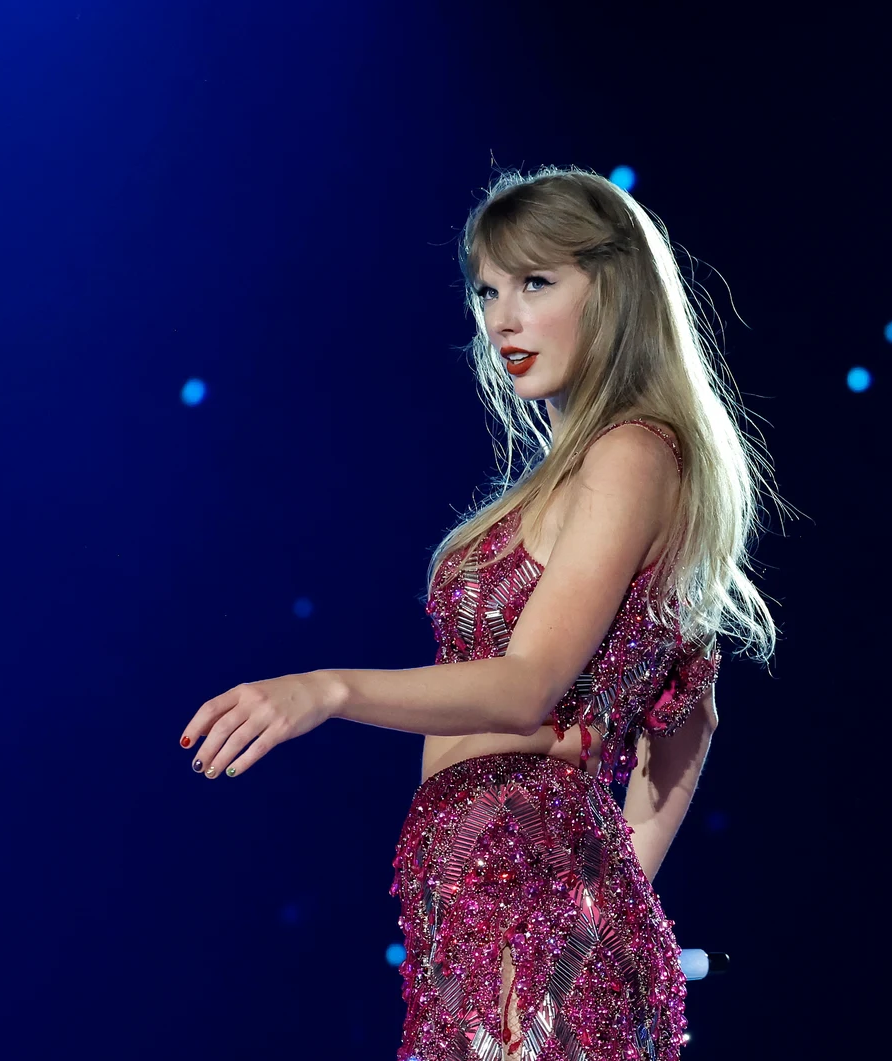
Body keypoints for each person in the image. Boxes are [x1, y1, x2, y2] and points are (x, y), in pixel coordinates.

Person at [179, 166, 786, 1060]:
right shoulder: (577, 469)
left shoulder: (632, 452)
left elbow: (529, 688)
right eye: (488, 289)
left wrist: (329, 688)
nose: (502, 317)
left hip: (525, 902)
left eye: (536, 282)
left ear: (611, 289)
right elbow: (691, 710)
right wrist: (611, 904)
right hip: (487, 912)